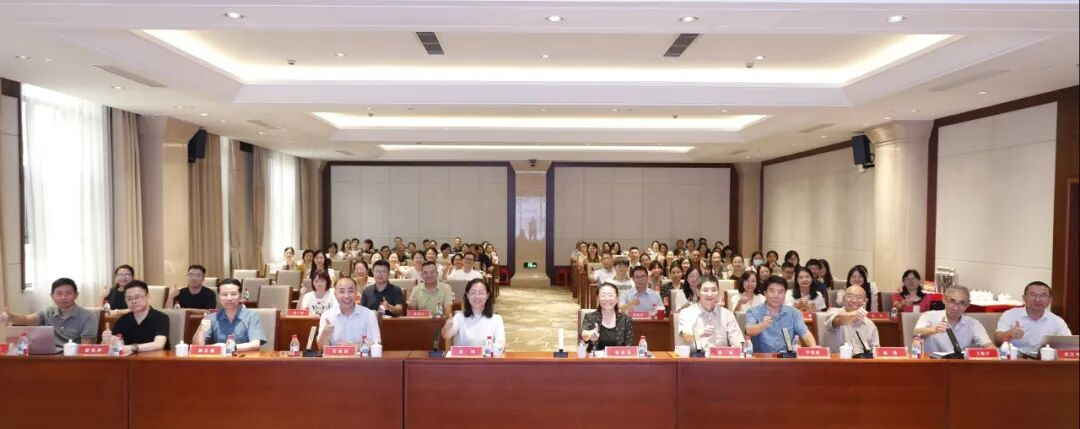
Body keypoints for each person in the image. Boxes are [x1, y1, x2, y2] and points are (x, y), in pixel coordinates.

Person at [0, 278, 98, 348]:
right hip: (48, 357)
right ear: (52, 296)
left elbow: (86, 348)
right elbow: (27, 319)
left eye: (68, 293)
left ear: (76, 295)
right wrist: (10, 316)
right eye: (59, 293)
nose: (63, 297)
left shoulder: (88, 317)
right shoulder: (47, 312)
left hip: (73, 360)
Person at [995, 281, 1071, 355]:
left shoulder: (1057, 321)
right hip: (1016, 359)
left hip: (1045, 360)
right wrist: (1010, 334)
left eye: (1043, 295)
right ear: (1024, 298)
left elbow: (1070, 344)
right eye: (1033, 295)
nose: (1037, 299)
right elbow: (997, 341)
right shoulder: (1010, 314)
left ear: (1050, 300)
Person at [745, 275, 817, 353]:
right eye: (772, 291)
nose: (776, 296)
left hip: (787, 358)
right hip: (761, 358)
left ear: (785, 294)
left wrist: (814, 347)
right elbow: (749, 331)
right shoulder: (753, 312)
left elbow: (805, 334)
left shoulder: (794, 313)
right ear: (765, 293)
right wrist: (763, 325)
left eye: (780, 292)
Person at [913, 286, 993, 354]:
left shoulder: (973, 323)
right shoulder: (929, 316)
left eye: (961, 303)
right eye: (952, 302)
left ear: (968, 304)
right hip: (933, 363)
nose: (956, 307)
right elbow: (916, 332)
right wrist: (933, 329)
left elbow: (988, 345)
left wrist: (991, 349)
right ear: (944, 300)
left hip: (960, 364)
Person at [193, 278, 266, 352]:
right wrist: (200, 330)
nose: (229, 298)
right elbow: (197, 346)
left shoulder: (251, 316)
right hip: (220, 359)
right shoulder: (211, 318)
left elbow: (255, 345)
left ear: (240, 296)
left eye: (233, 294)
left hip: (245, 358)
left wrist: (228, 347)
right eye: (224, 294)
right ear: (219, 296)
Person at [679, 276, 744, 350]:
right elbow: (686, 337)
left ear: (718, 292)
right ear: (698, 292)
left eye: (713, 290)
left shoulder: (727, 315)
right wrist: (701, 333)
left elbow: (737, 342)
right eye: (705, 290)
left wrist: (737, 347)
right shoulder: (687, 313)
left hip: (720, 356)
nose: (710, 294)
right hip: (694, 355)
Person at [107, 281, 169, 353]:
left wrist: (132, 348)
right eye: (129, 298)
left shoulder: (161, 317)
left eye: (137, 297)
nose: (133, 301)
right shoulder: (122, 320)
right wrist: (107, 340)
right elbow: (113, 345)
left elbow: (158, 344)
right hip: (129, 359)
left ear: (147, 296)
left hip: (156, 358)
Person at [317, 277, 381, 348]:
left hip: (360, 355)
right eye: (342, 292)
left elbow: (376, 344)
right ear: (335, 294)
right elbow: (320, 348)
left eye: (350, 291)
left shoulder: (369, 314)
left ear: (356, 293)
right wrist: (325, 334)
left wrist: (354, 347)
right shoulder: (327, 316)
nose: (346, 296)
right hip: (336, 355)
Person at [442, 278, 506, 349]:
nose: (477, 297)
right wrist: (447, 327)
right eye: (473, 293)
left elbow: (501, 344)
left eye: (481, 293)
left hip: (486, 356)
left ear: (487, 295)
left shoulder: (496, 319)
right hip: (463, 356)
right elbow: (446, 335)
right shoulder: (459, 317)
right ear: (467, 295)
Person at [823, 286, 880, 353]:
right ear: (843, 298)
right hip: (838, 358)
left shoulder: (869, 324)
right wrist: (854, 315)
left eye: (859, 297)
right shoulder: (832, 312)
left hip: (862, 359)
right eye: (850, 296)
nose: (854, 300)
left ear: (865, 301)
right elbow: (838, 320)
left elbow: (876, 350)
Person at [580, 283, 634, 351]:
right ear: (597, 299)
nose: (607, 299)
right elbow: (584, 334)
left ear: (617, 299)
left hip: (618, 357)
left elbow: (629, 346)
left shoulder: (626, 320)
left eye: (610, 295)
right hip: (595, 357)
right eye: (603, 295)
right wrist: (589, 334)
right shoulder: (590, 317)